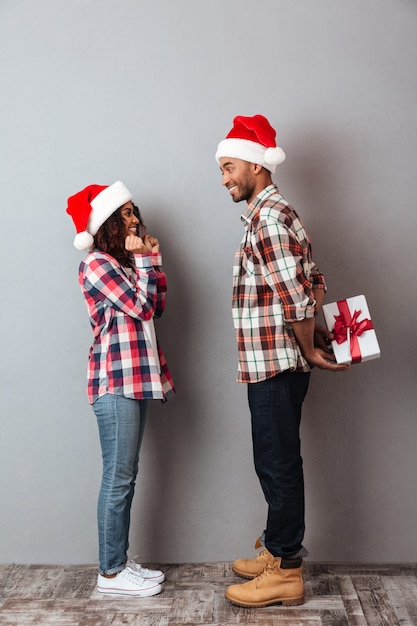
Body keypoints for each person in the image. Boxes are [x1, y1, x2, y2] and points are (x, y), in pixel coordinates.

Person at [215, 115, 348, 608]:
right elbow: (313, 278)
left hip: (273, 359)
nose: (224, 178)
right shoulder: (280, 211)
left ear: (255, 163)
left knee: (277, 463)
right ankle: (276, 548)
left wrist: (309, 345)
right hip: (279, 358)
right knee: (277, 458)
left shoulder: (267, 218)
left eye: (229, 167)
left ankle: (286, 571)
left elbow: (294, 295)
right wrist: (310, 343)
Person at [66, 181, 175, 597]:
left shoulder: (123, 264)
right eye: (125, 213)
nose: (134, 218)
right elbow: (142, 306)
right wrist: (145, 260)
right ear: (107, 223)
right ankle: (110, 573)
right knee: (118, 477)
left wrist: (149, 260)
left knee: (125, 476)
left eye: (134, 211)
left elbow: (157, 305)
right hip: (115, 380)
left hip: (136, 377)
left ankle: (120, 562)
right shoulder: (96, 264)